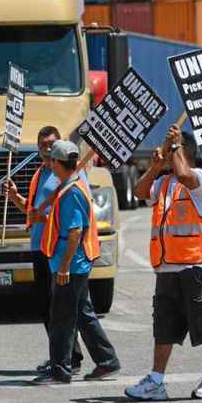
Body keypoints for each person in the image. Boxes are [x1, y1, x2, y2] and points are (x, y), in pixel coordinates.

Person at [125, 125, 202, 401]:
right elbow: (139, 191)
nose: (168, 157)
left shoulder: (200, 180)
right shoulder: (165, 183)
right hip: (167, 266)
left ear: (185, 153)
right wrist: (155, 166)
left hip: (194, 264)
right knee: (164, 326)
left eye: (172, 153)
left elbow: (183, 172)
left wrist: (176, 145)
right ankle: (156, 380)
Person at [31, 140, 120, 385]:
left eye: (52, 161)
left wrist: (63, 267)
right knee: (83, 314)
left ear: (60, 163)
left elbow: (74, 232)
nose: (49, 164)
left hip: (70, 264)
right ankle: (107, 360)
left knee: (61, 318)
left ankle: (60, 370)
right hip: (76, 263)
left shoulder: (71, 191)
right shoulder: (71, 185)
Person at [3, 126, 84, 374]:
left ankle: (70, 357)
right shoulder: (40, 174)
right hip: (39, 246)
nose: (47, 149)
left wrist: (44, 219)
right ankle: (62, 354)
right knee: (46, 306)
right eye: (43, 145)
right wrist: (16, 198)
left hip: (55, 249)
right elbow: (33, 210)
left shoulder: (65, 177)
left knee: (63, 308)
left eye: (52, 144)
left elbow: (68, 216)